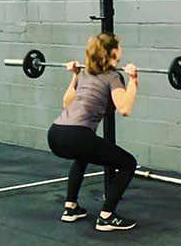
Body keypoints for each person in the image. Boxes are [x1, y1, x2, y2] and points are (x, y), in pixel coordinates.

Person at [47, 33, 139, 231]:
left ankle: (71, 208)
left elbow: (66, 103)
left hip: (55, 134)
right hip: (77, 136)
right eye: (119, 47)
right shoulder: (113, 76)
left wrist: (74, 76)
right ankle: (106, 216)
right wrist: (133, 79)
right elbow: (124, 109)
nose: (121, 50)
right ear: (113, 52)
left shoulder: (84, 74)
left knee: (82, 156)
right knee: (128, 163)